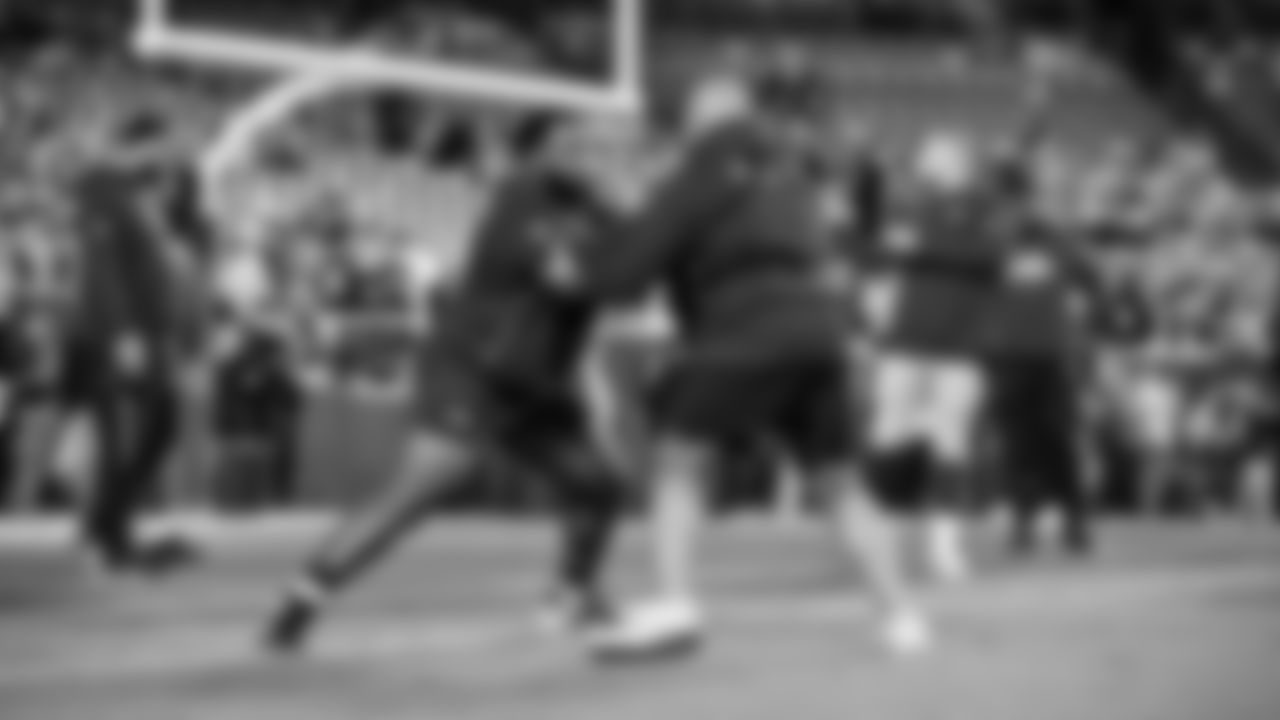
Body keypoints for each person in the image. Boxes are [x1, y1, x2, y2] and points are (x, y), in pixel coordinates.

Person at [554, 75, 927, 661]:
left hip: (745, 326)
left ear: (704, 120)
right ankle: (901, 617)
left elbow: (626, 278)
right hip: (821, 329)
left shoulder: (699, 172)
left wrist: (582, 262)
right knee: (842, 484)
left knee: (679, 457)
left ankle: (676, 603)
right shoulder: (794, 171)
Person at [263, 115, 631, 654]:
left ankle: (572, 596)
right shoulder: (523, 195)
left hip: (537, 380)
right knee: (422, 487)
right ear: (553, 153)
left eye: (606, 150)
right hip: (475, 369)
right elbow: (567, 277)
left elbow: (617, 275)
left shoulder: (603, 214)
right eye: (583, 148)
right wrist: (634, 251)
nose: (596, 159)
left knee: (598, 485)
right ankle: (303, 598)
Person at [860, 134, 1007, 584]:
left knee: (951, 445)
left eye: (935, 154)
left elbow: (989, 256)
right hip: (905, 339)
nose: (925, 162)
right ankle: (879, 541)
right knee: (887, 438)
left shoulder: (986, 206)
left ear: (959, 162)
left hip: (960, 345)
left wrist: (919, 248)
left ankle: (944, 546)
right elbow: (876, 249)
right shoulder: (911, 208)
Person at [68, 113, 205, 574]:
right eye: (161, 147)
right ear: (141, 145)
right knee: (121, 438)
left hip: (149, 334)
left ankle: (110, 527)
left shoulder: (137, 194)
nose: (167, 157)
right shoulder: (102, 188)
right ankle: (104, 537)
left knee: (159, 425)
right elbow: (102, 267)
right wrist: (122, 332)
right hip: (118, 336)